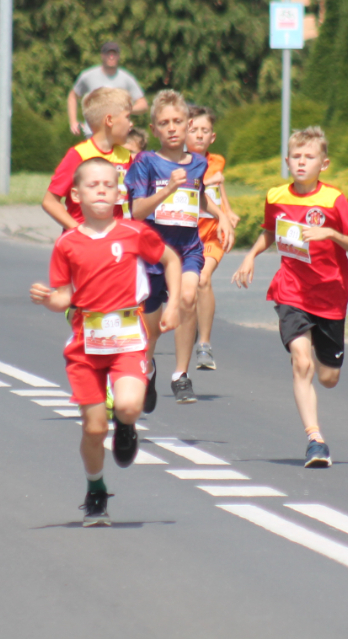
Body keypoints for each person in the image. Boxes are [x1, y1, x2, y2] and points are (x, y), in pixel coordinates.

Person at [29, 157, 181, 526]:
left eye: (108, 185)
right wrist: (50, 300)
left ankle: (127, 426)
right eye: (92, 185)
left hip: (128, 337)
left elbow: (170, 259)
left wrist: (174, 303)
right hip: (86, 345)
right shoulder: (67, 244)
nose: (100, 189)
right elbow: (65, 297)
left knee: (129, 405)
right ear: (77, 195)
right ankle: (95, 489)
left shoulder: (132, 233)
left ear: (118, 193)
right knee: (95, 428)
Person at [231, 127, 348, 468]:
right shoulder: (276, 196)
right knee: (301, 363)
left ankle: (324, 362)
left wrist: (332, 233)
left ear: (324, 163)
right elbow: (269, 232)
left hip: (331, 295)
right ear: (287, 160)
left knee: (328, 377)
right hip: (291, 290)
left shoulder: (333, 200)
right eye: (297, 157)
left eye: (310, 157)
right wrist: (250, 256)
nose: (302, 163)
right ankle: (315, 439)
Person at [125, 90, 233, 407]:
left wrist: (220, 215)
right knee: (153, 328)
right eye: (164, 123)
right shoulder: (146, 162)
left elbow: (198, 198)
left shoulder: (198, 164)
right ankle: (148, 368)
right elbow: (137, 211)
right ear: (155, 129)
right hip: (153, 254)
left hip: (188, 247)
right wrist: (168, 189)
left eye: (177, 121)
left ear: (188, 124)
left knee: (189, 295)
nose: (172, 128)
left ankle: (181, 375)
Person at [186, 106, 240, 371]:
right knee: (186, 289)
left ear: (212, 137)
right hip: (184, 233)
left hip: (212, 233)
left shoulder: (216, 162)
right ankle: (189, 324)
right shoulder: (175, 163)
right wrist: (208, 181)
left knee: (203, 279)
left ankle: (204, 346)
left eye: (204, 131)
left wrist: (228, 215)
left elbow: (218, 190)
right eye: (193, 129)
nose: (198, 135)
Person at [43, 87, 134, 232]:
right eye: (128, 117)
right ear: (109, 120)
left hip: (115, 242)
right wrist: (80, 232)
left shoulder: (126, 156)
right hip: (83, 247)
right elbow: (50, 202)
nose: (131, 124)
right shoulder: (79, 154)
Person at [67, 42, 147, 137]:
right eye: (108, 54)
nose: (111, 57)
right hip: (93, 133)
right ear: (102, 56)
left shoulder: (126, 78)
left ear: (118, 56)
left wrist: (127, 109)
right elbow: (73, 96)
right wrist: (73, 122)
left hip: (118, 135)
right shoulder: (88, 76)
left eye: (114, 54)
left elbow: (143, 104)